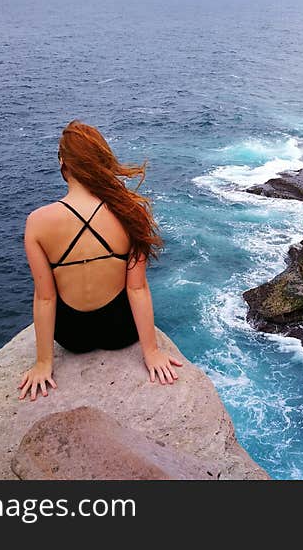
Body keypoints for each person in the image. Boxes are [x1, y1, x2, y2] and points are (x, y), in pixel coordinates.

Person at [18, 120, 182, 401]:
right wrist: (151, 352)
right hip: (121, 332)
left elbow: (45, 298)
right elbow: (137, 288)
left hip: (72, 338)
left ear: (62, 162)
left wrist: (44, 363)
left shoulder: (37, 222)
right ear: (101, 161)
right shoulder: (131, 212)